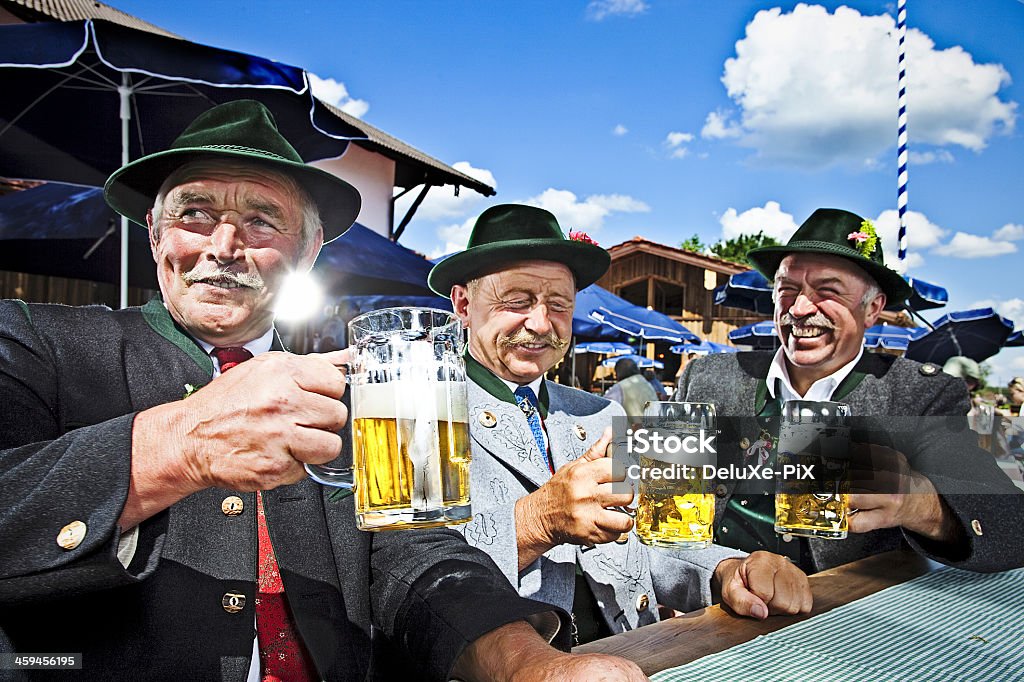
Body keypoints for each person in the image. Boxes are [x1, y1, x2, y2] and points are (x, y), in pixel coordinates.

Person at [0, 102, 645, 681]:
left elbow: (418, 550)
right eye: (195, 213)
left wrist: (522, 664)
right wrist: (179, 444)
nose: (224, 245)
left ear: (307, 253)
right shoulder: (35, 342)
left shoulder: (605, 408)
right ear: (155, 233)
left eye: (261, 221)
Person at [428, 204, 811, 647]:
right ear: (462, 303)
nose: (540, 323)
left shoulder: (604, 415)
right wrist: (536, 522)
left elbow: (655, 541)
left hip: (635, 654)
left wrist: (729, 570)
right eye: (516, 301)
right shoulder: (413, 416)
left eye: (559, 304)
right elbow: (403, 568)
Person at [674, 207, 1024, 574]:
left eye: (828, 291)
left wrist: (921, 504)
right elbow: (658, 488)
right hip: (709, 604)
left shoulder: (918, 394)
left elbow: (1010, 524)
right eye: (787, 289)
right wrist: (622, 463)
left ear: (872, 309)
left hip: (840, 617)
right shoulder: (708, 375)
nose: (801, 307)